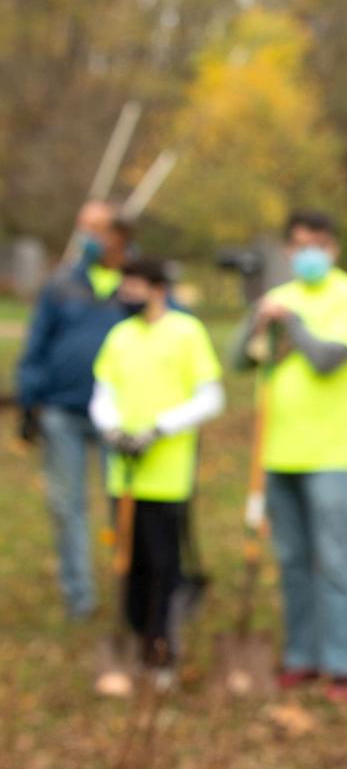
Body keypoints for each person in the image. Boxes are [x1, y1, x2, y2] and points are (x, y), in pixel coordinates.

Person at [232, 210, 347, 704]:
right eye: (297, 245)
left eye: (316, 243)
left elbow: (326, 360)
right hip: (276, 452)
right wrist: (255, 318)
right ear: (287, 251)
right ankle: (302, 655)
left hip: (331, 454)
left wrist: (291, 325)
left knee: (336, 561)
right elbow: (238, 359)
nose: (307, 253)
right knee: (293, 561)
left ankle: (344, 662)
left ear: (333, 248)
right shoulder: (278, 298)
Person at [89, 257, 224, 684]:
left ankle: (162, 646)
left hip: (167, 475)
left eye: (134, 287)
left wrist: (159, 429)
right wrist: (112, 428)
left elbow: (209, 397)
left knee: (165, 564)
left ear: (157, 289)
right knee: (130, 563)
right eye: (123, 287)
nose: (126, 295)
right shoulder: (120, 336)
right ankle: (133, 642)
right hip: (123, 474)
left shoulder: (187, 333)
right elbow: (102, 393)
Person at [15, 201, 134, 619]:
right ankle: (78, 596)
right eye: (82, 227)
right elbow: (37, 346)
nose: (87, 237)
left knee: (124, 503)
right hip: (62, 411)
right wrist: (29, 402)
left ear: (118, 235)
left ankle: (132, 590)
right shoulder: (62, 283)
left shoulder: (137, 283)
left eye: (97, 229)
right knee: (67, 506)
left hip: (121, 416)